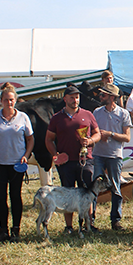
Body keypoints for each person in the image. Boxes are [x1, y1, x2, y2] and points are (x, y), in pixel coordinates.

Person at [0, 83, 34, 242]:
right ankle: (2, 229)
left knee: (16, 197)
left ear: (15, 100)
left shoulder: (23, 117)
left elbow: (30, 139)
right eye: (6, 100)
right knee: (1, 197)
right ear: (1, 101)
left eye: (11, 100)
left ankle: (16, 230)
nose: (9, 103)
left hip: (17, 164)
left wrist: (26, 154)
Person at [46, 83, 100, 232]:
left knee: (87, 193)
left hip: (85, 160)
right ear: (65, 99)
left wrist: (89, 141)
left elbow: (98, 134)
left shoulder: (88, 114)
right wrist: (55, 155)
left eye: (77, 97)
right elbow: (49, 139)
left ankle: (89, 224)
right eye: (72, 98)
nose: (75, 100)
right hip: (66, 163)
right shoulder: (57, 118)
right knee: (67, 195)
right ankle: (69, 226)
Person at [93, 83, 133, 230]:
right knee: (94, 186)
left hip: (114, 155)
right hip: (98, 154)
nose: (100, 97)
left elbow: (127, 137)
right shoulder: (96, 112)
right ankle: (91, 220)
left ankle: (116, 220)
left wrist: (110, 134)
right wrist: (98, 136)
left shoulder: (123, 113)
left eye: (103, 95)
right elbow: (93, 131)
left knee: (116, 187)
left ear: (112, 97)